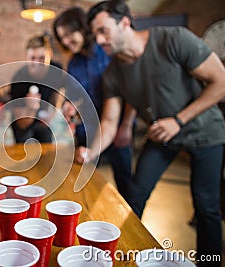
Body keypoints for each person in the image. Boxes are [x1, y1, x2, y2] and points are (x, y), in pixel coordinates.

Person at [86, 1, 225, 264]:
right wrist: (89, 152)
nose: (99, 40)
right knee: (135, 195)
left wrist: (178, 120)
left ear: (124, 22)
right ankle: (120, 257)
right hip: (163, 135)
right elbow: (110, 121)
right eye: (95, 35)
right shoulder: (113, 73)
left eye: (103, 31)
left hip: (206, 132)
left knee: (206, 206)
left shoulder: (172, 39)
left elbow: (221, 82)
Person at [53, 7, 134, 198]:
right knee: (83, 181)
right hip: (87, 131)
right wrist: (69, 106)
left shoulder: (107, 51)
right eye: (61, 38)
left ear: (82, 28)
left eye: (69, 34)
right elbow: (74, 96)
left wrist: (127, 125)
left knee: (125, 184)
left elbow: (130, 91)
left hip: (116, 127)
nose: (66, 41)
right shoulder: (74, 62)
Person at [10, 35, 65, 143]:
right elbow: (22, 124)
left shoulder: (56, 70)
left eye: (41, 58)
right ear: (26, 57)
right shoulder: (19, 79)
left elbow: (59, 92)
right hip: (25, 122)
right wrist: (31, 108)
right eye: (32, 58)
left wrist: (53, 112)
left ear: (50, 55)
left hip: (45, 121)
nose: (36, 63)